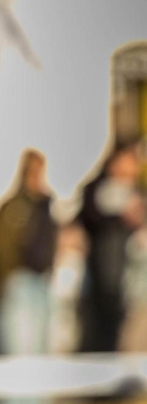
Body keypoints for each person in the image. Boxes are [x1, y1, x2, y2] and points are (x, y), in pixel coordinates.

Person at [0, 149, 58, 355]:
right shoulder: (15, 208)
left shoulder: (44, 206)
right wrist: (6, 281)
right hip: (18, 285)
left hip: (42, 283)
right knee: (17, 353)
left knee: (39, 352)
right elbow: (0, 249)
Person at [77, 143, 143, 352]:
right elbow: (88, 219)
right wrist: (120, 216)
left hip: (133, 285)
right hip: (106, 281)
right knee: (103, 336)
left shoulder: (137, 193)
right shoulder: (97, 191)